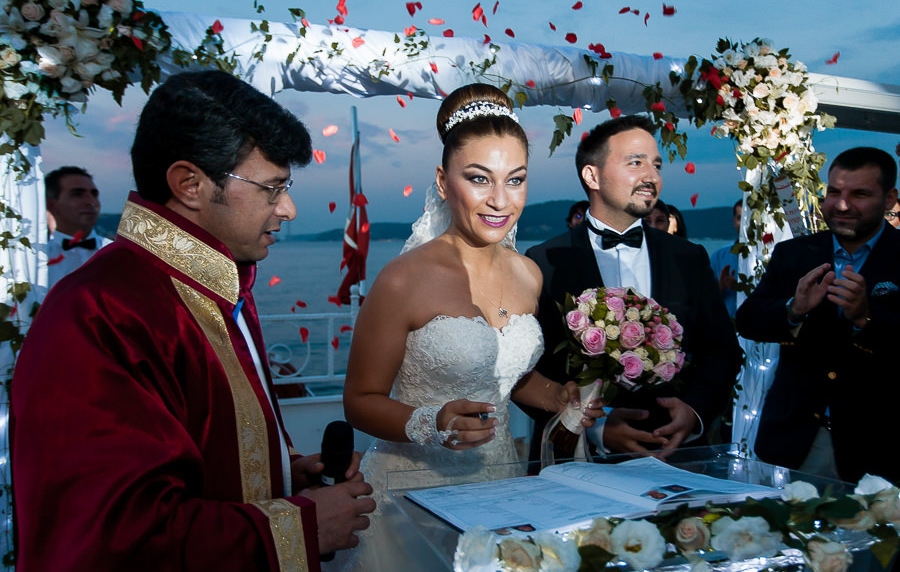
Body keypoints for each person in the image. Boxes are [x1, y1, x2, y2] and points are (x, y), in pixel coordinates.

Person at [11, 71, 375, 572]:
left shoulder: (215, 286)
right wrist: (299, 527)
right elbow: (114, 540)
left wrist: (285, 477)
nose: (288, 209)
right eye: (271, 188)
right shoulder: (102, 311)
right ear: (189, 185)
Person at [341, 84, 603, 571]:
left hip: (500, 489)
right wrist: (430, 422)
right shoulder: (403, 279)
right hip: (411, 496)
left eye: (516, 180)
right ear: (443, 181)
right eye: (480, 179)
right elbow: (359, 401)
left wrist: (556, 396)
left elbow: (507, 375)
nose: (500, 200)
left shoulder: (528, 274)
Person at [523, 115, 742, 458]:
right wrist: (594, 427)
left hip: (673, 456)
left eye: (656, 165)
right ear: (592, 176)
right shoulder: (543, 261)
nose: (651, 176)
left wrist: (694, 413)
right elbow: (526, 368)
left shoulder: (688, 256)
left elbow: (722, 351)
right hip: (578, 460)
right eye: (635, 162)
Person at [736, 146, 900, 484]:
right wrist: (792, 310)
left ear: (889, 199)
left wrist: (865, 319)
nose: (841, 204)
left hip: (878, 451)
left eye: (860, 194)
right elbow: (748, 319)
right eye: (835, 192)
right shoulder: (795, 253)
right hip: (792, 443)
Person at [43, 166, 113, 288]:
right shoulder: (39, 260)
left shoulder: (115, 253)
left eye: (94, 194)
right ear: (51, 204)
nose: (91, 202)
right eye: (77, 194)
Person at [710, 199, 744, 319]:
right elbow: (704, 298)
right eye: (740, 218)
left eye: (749, 219)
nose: (745, 224)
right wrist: (720, 287)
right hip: (728, 326)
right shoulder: (719, 256)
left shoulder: (769, 256)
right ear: (734, 221)